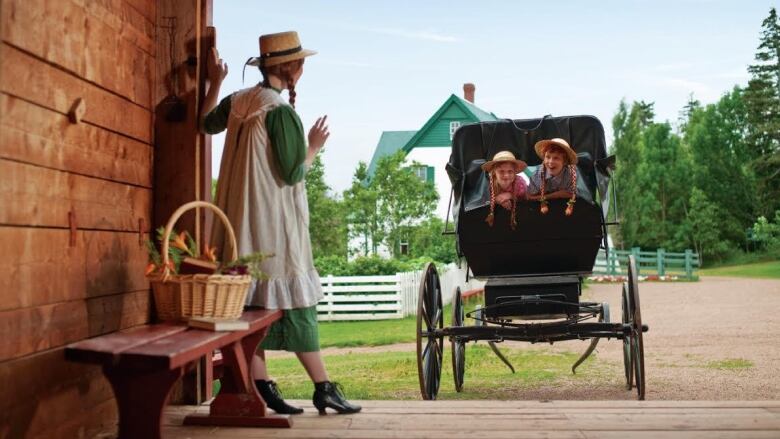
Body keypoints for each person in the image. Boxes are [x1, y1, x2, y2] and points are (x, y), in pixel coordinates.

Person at [199, 31, 360, 416]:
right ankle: (323, 388)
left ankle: (261, 385)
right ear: (292, 68)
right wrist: (315, 147)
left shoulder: (238, 101)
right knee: (297, 301)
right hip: (271, 222)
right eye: (301, 64)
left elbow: (205, 123)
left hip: (238, 224)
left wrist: (215, 83)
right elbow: (292, 173)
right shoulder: (280, 112)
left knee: (248, 306)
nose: (303, 69)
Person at [527, 138, 579, 215]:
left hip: (563, 210)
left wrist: (544, 197)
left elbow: (571, 193)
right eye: (548, 157)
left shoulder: (571, 174)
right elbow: (530, 197)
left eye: (556, 158)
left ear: (564, 161)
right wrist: (559, 194)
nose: (550, 162)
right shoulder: (536, 176)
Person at [481, 150, 528, 229]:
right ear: (494, 172)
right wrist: (496, 199)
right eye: (501, 171)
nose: (506, 176)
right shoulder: (487, 184)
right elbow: (482, 199)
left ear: (515, 172)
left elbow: (526, 198)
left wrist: (510, 195)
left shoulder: (520, 183)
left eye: (510, 171)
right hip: (496, 225)